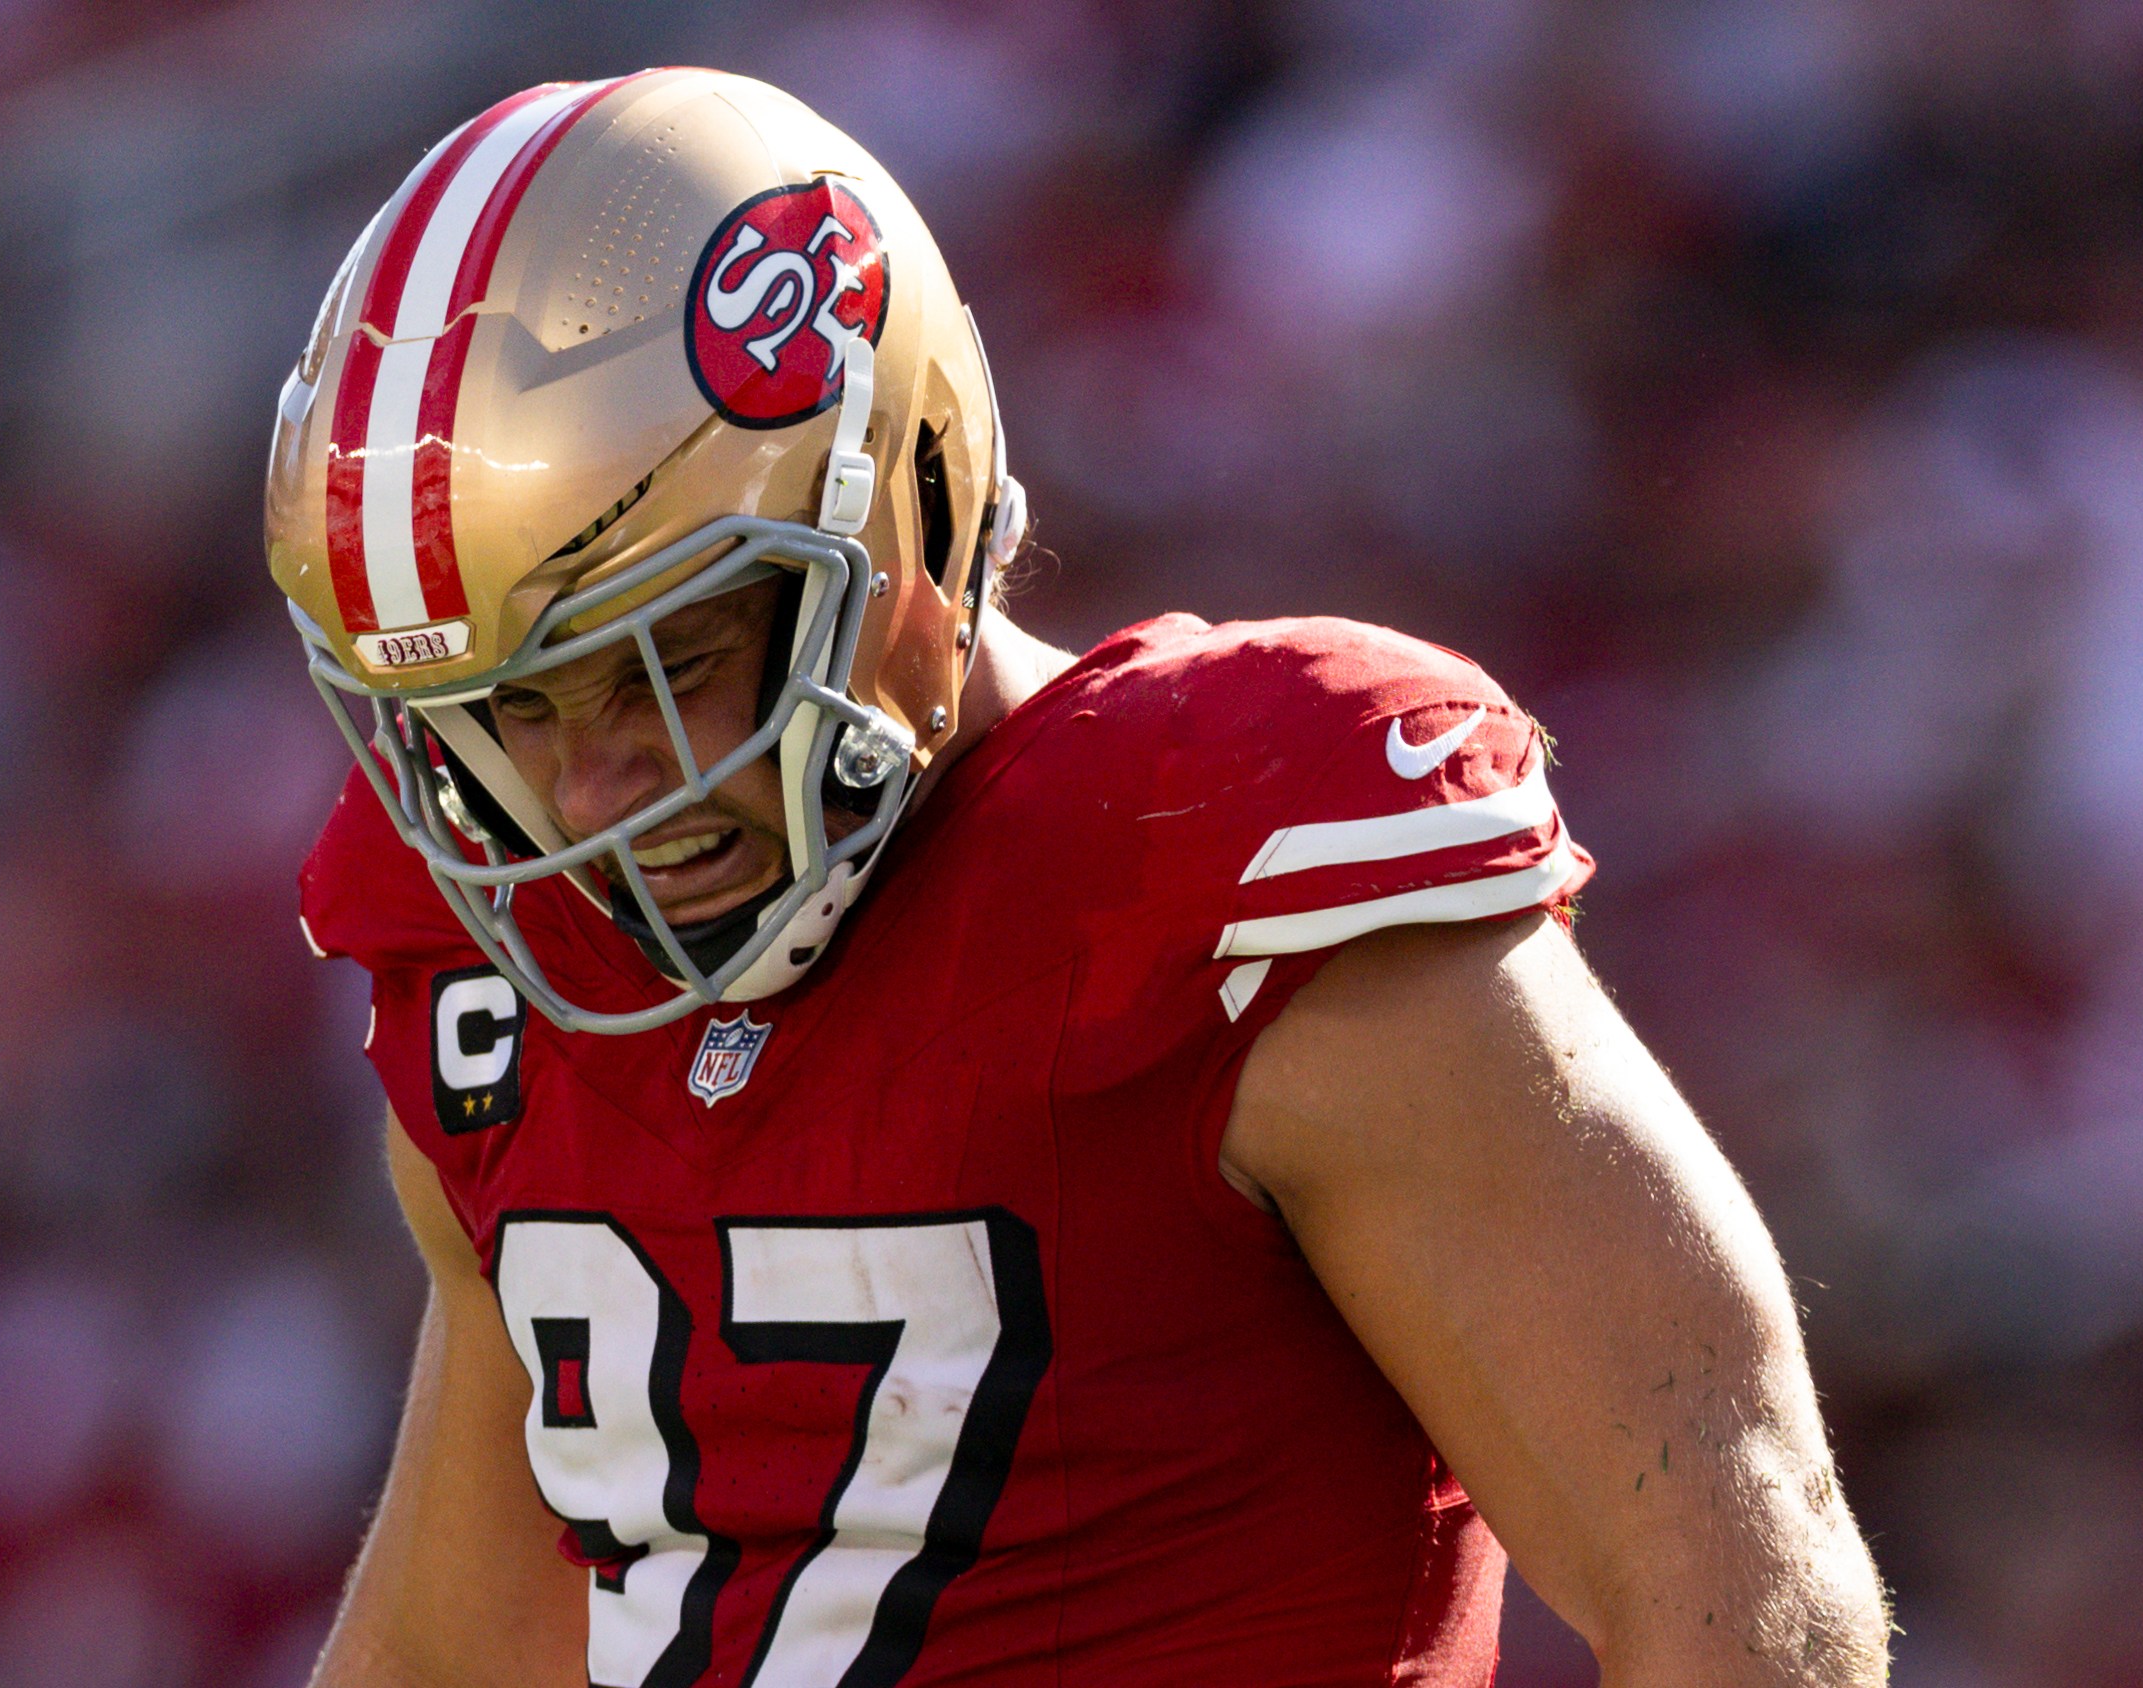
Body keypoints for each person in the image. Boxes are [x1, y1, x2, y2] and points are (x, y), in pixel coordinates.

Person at [268, 68, 1889, 1688]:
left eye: (670, 659)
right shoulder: (499, 948)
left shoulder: (1219, 847)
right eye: (512, 710)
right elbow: (446, 1653)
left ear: (903, 492)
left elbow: (1733, 1567)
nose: (595, 786)